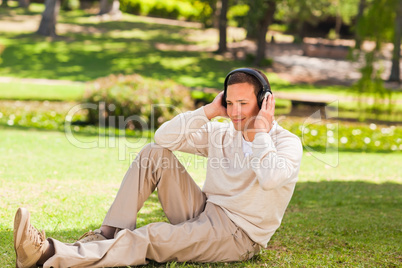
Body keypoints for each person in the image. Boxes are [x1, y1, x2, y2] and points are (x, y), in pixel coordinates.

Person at [13, 68, 303, 268]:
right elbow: (162, 138)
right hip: (205, 210)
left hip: (237, 235)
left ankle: (47, 253)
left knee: (152, 236)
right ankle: (107, 234)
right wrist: (208, 111)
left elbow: (269, 178)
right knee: (154, 154)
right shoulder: (223, 132)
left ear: (265, 101)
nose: (235, 112)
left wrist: (262, 132)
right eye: (230, 102)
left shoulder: (286, 143)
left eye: (243, 102)